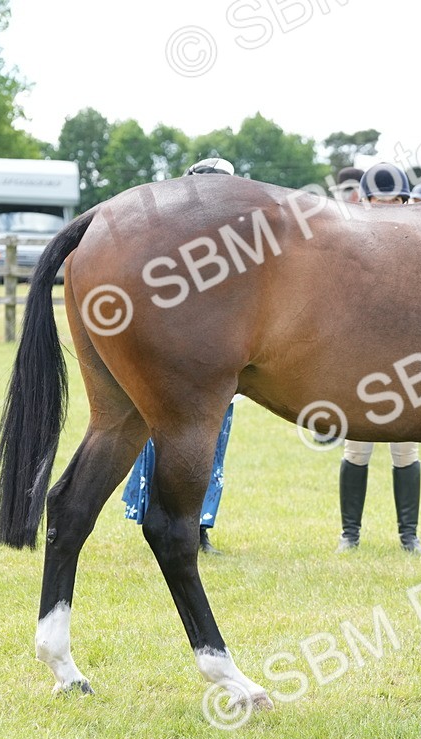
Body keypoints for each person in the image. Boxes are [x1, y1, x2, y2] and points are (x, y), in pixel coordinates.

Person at [122, 157, 238, 555]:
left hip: (213, 366)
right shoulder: (172, 242)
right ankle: (160, 519)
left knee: (208, 449)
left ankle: (197, 526)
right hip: (175, 364)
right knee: (165, 444)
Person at [336, 163, 421, 556]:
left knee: (406, 447)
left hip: (407, 355)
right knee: (356, 447)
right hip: (364, 355)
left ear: (405, 202)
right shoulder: (351, 241)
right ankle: (349, 535)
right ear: (366, 201)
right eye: (379, 202)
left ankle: (409, 536)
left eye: (393, 202)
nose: (386, 209)